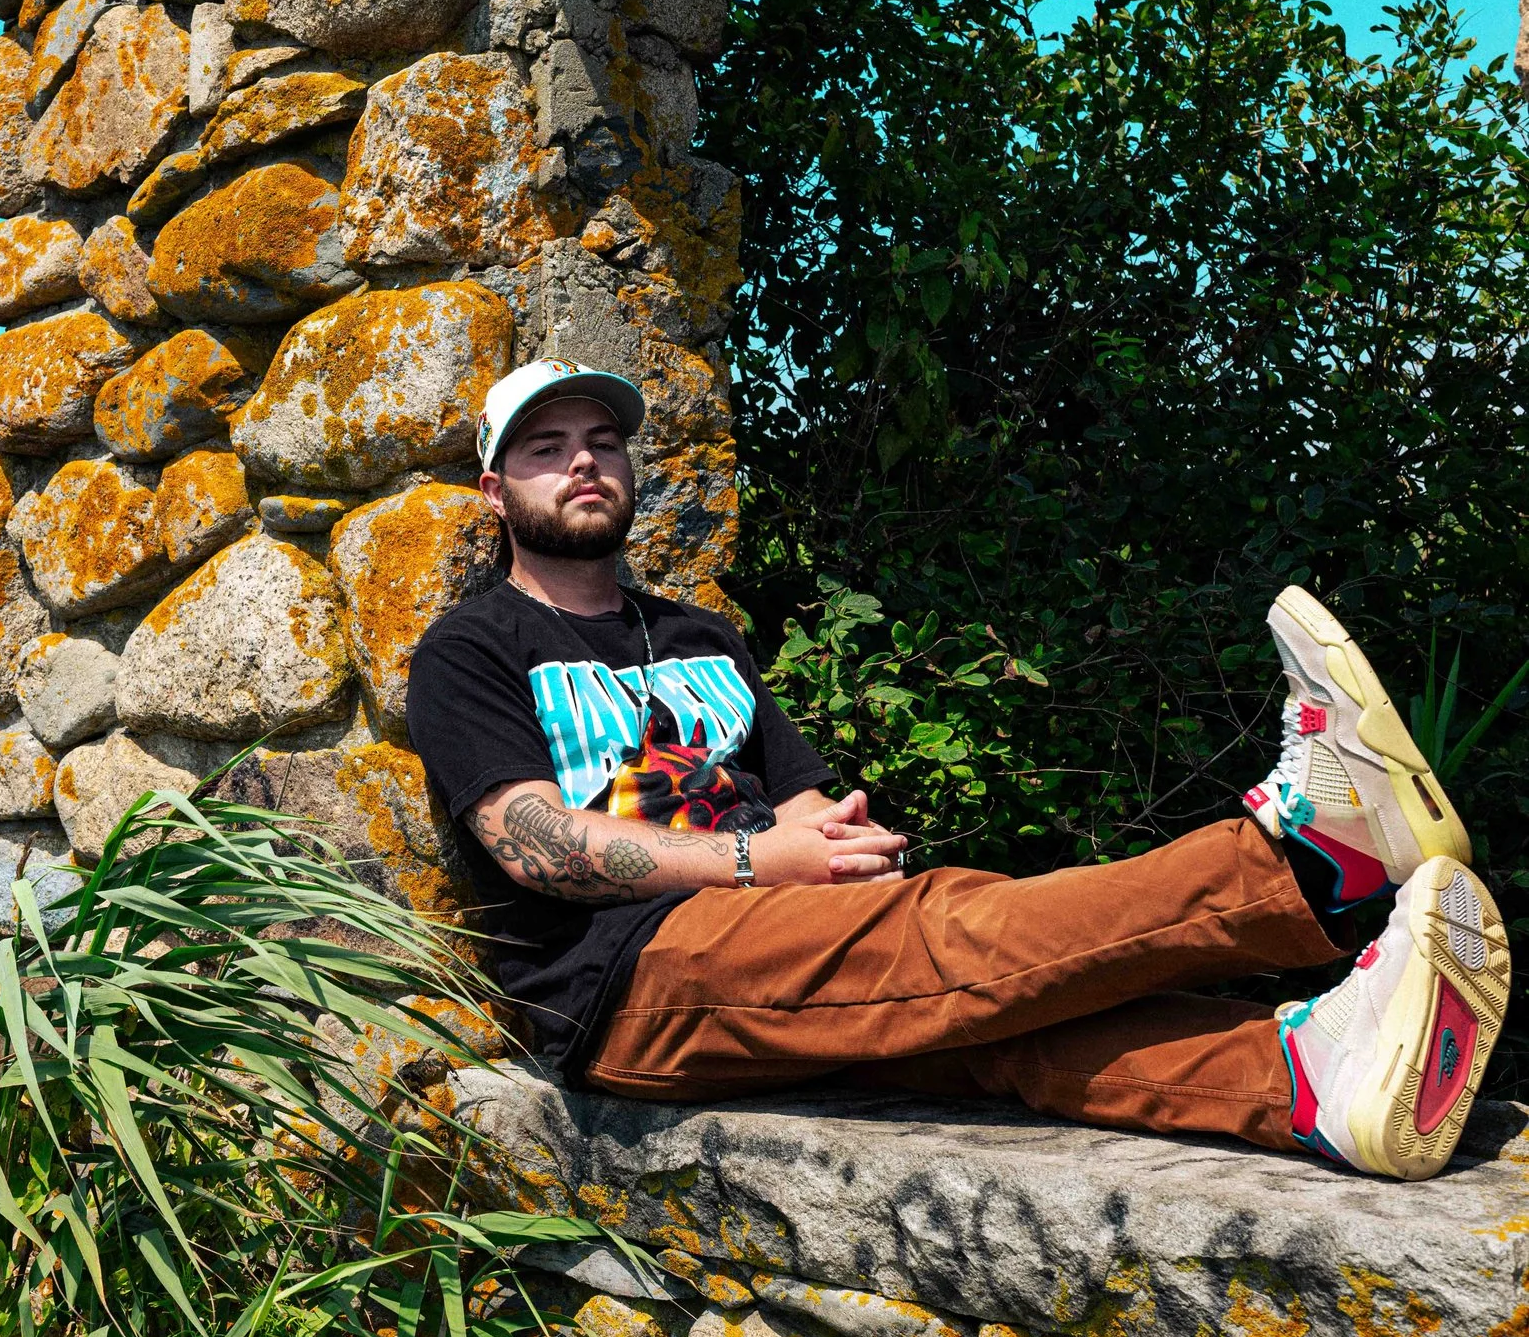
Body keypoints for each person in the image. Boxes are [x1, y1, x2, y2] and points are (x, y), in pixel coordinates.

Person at [404, 359, 1509, 1181]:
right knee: (950, 928)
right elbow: (530, 844)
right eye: (547, 446)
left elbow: (795, 793)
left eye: (602, 437)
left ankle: (1311, 1086)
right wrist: (759, 859)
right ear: (498, 491)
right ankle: (1304, 862)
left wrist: (831, 844)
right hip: (626, 982)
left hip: (765, 938)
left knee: (997, 1026)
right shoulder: (474, 645)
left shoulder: (702, 633)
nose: (585, 460)